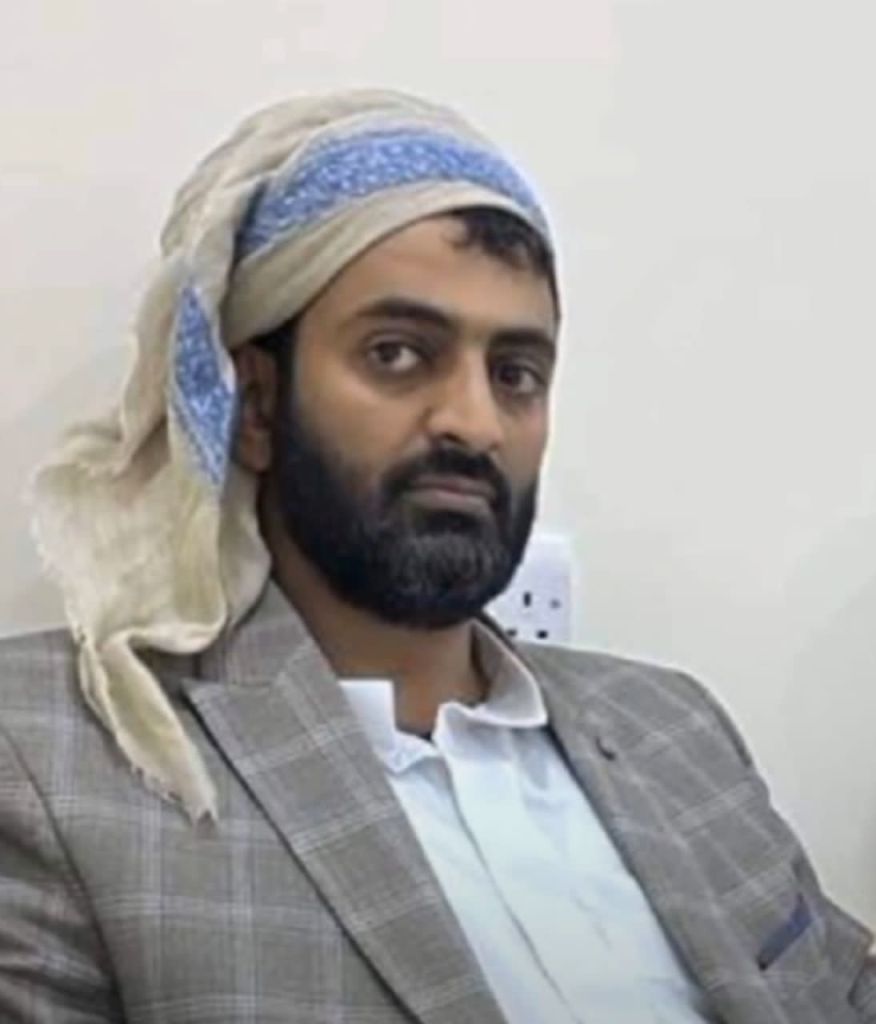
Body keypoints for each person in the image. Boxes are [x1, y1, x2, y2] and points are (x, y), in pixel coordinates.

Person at [0, 91, 872, 1024]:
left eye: (516, 373)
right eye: (398, 354)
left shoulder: (674, 725)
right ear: (254, 404)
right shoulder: (50, 755)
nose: (475, 422)